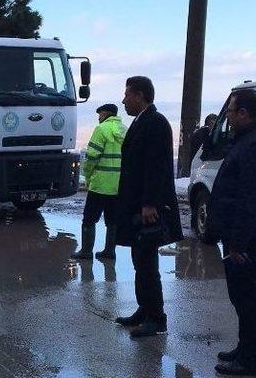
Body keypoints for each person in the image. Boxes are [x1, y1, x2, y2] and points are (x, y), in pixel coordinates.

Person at [206, 89, 256, 376]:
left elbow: (250, 198)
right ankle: (245, 347)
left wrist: (237, 244)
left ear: (243, 114)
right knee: (240, 295)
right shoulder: (252, 138)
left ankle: (251, 361)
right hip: (241, 233)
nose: (227, 115)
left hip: (246, 235)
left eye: (231, 111)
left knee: (247, 297)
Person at [114, 76, 183, 338]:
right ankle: (145, 308)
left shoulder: (155, 123)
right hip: (136, 205)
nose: (124, 100)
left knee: (147, 262)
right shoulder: (142, 121)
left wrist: (149, 203)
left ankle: (157, 317)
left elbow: (156, 166)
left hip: (146, 208)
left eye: (127, 95)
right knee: (139, 260)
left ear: (140, 95)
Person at [73, 104, 126, 260]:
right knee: (112, 220)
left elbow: (92, 156)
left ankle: (86, 251)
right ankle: (110, 251)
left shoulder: (101, 129)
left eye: (100, 114)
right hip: (118, 184)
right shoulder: (125, 130)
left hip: (100, 184)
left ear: (104, 114)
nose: (98, 118)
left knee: (89, 218)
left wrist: (87, 175)